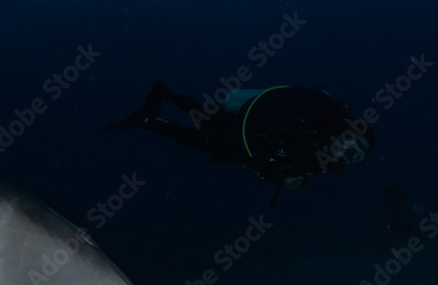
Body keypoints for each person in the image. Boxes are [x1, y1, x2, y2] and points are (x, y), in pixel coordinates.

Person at [104, 81, 375, 205]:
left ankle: (165, 93)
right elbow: (262, 152)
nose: (346, 150)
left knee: (204, 120)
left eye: (355, 155)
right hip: (239, 134)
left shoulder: (320, 153)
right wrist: (279, 178)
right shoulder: (307, 131)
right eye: (349, 141)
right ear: (341, 130)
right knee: (194, 138)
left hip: (242, 122)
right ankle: (147, 119)